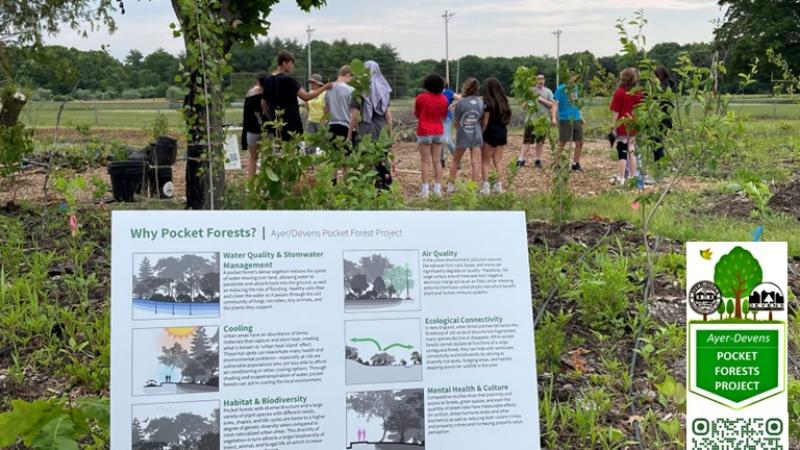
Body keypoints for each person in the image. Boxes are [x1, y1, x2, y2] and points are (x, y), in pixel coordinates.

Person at [262, 50, 330, 141]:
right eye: (291, 63)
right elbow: (306, 96)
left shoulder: (267, 79)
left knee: (279, 151)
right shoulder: (288, 80)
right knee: (293, 151)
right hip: (291, 125)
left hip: (277, 124)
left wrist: (272, 118)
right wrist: (325, 87)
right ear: (284, 63)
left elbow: (263, 103)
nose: (292, 66)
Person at [349, 60, 395, 190]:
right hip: (381, 126)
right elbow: (388, 116)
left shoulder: (358, 90)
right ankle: (384, 184)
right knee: (382, 155)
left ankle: (368, 186)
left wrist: (349, 135)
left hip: (366, 126)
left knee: (367, 157)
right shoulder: (384, 89)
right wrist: (390, 134)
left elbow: (353, 117)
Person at [415, 74, 449, 198]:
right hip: (438, 130)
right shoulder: (444, 99)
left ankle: (425, 191)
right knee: (437, 161)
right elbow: (444, 116)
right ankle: (437, 190)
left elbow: (417, 114)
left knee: (425, 162)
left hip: (424, 130)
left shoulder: (421, 98)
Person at [609, 68, 644, 186]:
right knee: (632, 150)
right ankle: (633, 177)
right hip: (634, 124)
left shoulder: (620, 92)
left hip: (622, 124)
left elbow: (616, 111)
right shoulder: (639, 93)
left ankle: (622, 177)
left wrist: (613, 127)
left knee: (622, 150)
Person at [448, 78, 483, 193]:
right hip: (476, 133)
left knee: (456, 160)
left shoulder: (461, 102)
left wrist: (460, 129)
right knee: (475, 161)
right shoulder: (480, 102)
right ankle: (473, 186)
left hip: (463, 132)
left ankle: (451, 185)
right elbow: (481, 118)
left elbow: (456, 120)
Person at [517, 74, 557, 168]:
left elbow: (552, 104)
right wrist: (528, 102)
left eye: (542, 79)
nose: (541, 80)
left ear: (544, 81)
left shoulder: (548, 91)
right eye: (539, 79)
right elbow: (524, 106)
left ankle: (537, 160)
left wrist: (540, 100)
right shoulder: (530, 91)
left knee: (540, 141)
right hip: (531, 119)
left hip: (543, 121)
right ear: (535, 81)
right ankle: (521, 160)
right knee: (527, 140)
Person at [480, 77, 512, 194]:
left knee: (485, 161)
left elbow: (485, 122)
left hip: (490, 132)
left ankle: (486, 187)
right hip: (502, 131)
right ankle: (499, 186)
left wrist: (481, 133)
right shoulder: (504, 101)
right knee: (497, 161)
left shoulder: (488, 103)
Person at [554, 72, 585, 172]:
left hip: (576, 118)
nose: (575, 78)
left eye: (575, 76)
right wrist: (554, 117)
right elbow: (555, 104)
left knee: (580, 142)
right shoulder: (560, 89)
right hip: (565, 118)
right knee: (562, 142)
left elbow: (577, 103)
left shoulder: (575, 87)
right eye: (573, 76)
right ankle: (557, 164)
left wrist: (581, 116)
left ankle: (575, 164)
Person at [241, 77, 266, 178]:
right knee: (266, 156)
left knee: (253, 157)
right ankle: (266, 181)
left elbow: (246, 115)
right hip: (265, 129)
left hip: (251, 128)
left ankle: (251, 183)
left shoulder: (250, 94)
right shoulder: (267, 95)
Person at [325, 66, 355, 145]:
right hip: (345, 127)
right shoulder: (351, 90)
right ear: (348, 75)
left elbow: (326, 111)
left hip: (331, 126)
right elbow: (353, 115)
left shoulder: (328, 89)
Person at [653, 67, 675, 164]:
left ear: (659, 75)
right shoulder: (669, 84)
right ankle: (659, 165)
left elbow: (660, 102)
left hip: (660, 119)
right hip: (665, 119)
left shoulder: (662, 86)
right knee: (658, 143)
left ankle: (659, 167)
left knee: (657, 143)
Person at [439, 82, 457, 167]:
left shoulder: (448, 92)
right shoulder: (434, 92)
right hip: (436, 119)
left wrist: (452, 105)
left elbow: (460, 98)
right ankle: (441, 159)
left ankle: (457, 159)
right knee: (439, 140)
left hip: (446, 118)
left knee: (447, 140)